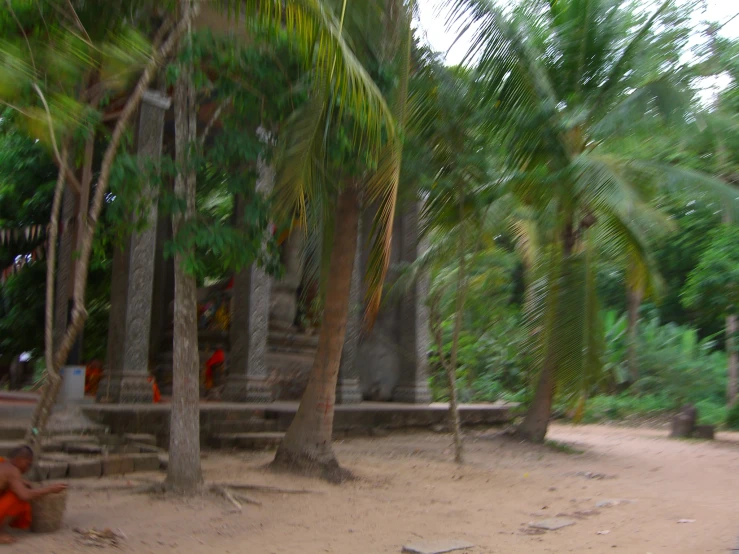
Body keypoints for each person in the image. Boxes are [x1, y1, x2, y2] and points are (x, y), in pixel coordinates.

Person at [0, 446, 67, 544]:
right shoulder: (13, 471)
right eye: (27, 464)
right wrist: (50, 489)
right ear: (20, 459)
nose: (27, 469)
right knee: (18, 499)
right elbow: (24, 495)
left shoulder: (4, 463)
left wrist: (20, 481)